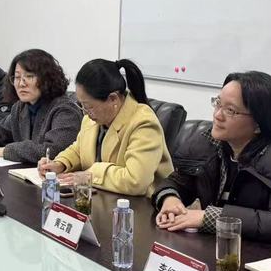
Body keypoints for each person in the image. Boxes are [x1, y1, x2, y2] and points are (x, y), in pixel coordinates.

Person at [154, 71, 271, 247]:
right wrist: (170, 199)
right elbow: (177, 182)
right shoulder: (211, 144)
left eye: (230, 110)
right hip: (223, 247)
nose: (217, 115)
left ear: (259, 125)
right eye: (218, 103)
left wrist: (209, 217)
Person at [38, 59, 173, 197]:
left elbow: (136, 181)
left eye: (88, 106)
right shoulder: (92, 118)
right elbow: (79, 149)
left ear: (113, 99)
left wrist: (90, 174)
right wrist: (60, 164)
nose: (85, 112)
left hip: (140, 204)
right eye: (81, 105)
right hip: (102, 197)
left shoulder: (144, 123)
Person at [0, 49, 82, 164]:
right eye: (17, 77)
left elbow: (53, 151)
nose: (21, 84)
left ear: (47, 78)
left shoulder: (65, 110)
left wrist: (4, 151)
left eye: (29, 76)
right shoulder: (20, 107)